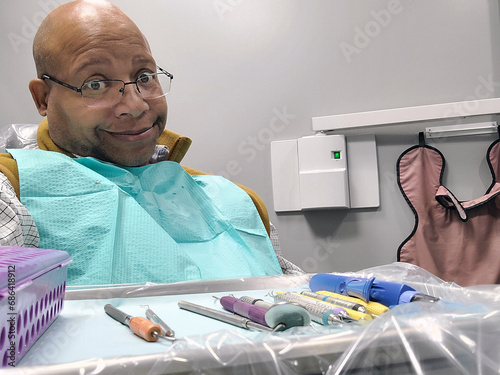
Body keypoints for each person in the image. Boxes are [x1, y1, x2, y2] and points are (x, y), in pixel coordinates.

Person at [0, 0, 303, 285]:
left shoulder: (234, 201)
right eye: (96, 84)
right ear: (43, 97)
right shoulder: (12, 192)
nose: (136, 105)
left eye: (144, 76)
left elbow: (301, 303)